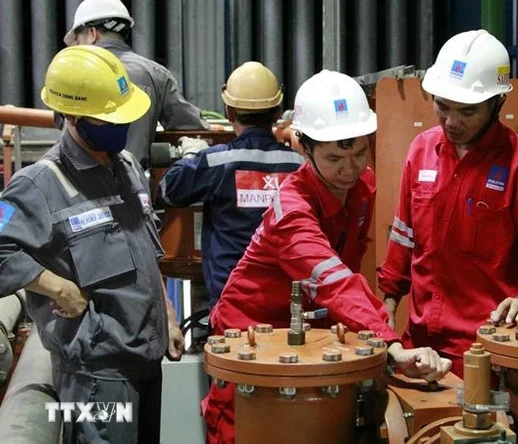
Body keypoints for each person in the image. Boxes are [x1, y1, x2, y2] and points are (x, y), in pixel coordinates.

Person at [203, 70, 453, 444]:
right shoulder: (291, 210)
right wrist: (392, 343)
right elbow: (333, 280)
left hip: (310, 337)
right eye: (336, 157)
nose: (350, 168)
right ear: (303, 147)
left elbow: (346, 274)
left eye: (359, 152)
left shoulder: (361, 188)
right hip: (251, 339)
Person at [0, 45, 184, 443]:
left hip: (146, 365)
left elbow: (143, 252)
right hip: (96, 378)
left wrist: (166, 312)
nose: (120, 127)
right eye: (108, 118)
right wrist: (56, 286)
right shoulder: (40, 185)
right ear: (72, 117)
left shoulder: (128, 168)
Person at [378, 29, 518, 378]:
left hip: (485, 352)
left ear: (497, 103)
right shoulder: (421, 150)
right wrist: (388, 303)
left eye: (467, 111)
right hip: (419, 346)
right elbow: (403, 236)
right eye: (442, 106)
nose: (451, 121)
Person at [159, 61, 304, 308]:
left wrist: (191, 154)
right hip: (290, 298)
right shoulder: (299, 165)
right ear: (278, 112)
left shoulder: (215, 161)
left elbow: (168, 190)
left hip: (233, 298)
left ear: (229, 113)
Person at [64, 0, 209, 166]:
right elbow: (190, 125)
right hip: (134, 184)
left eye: (78, 38)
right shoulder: (156, 74)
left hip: (77, 183)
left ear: (92, 33)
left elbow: (63, 122)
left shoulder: (72, 73)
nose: (77, 45)